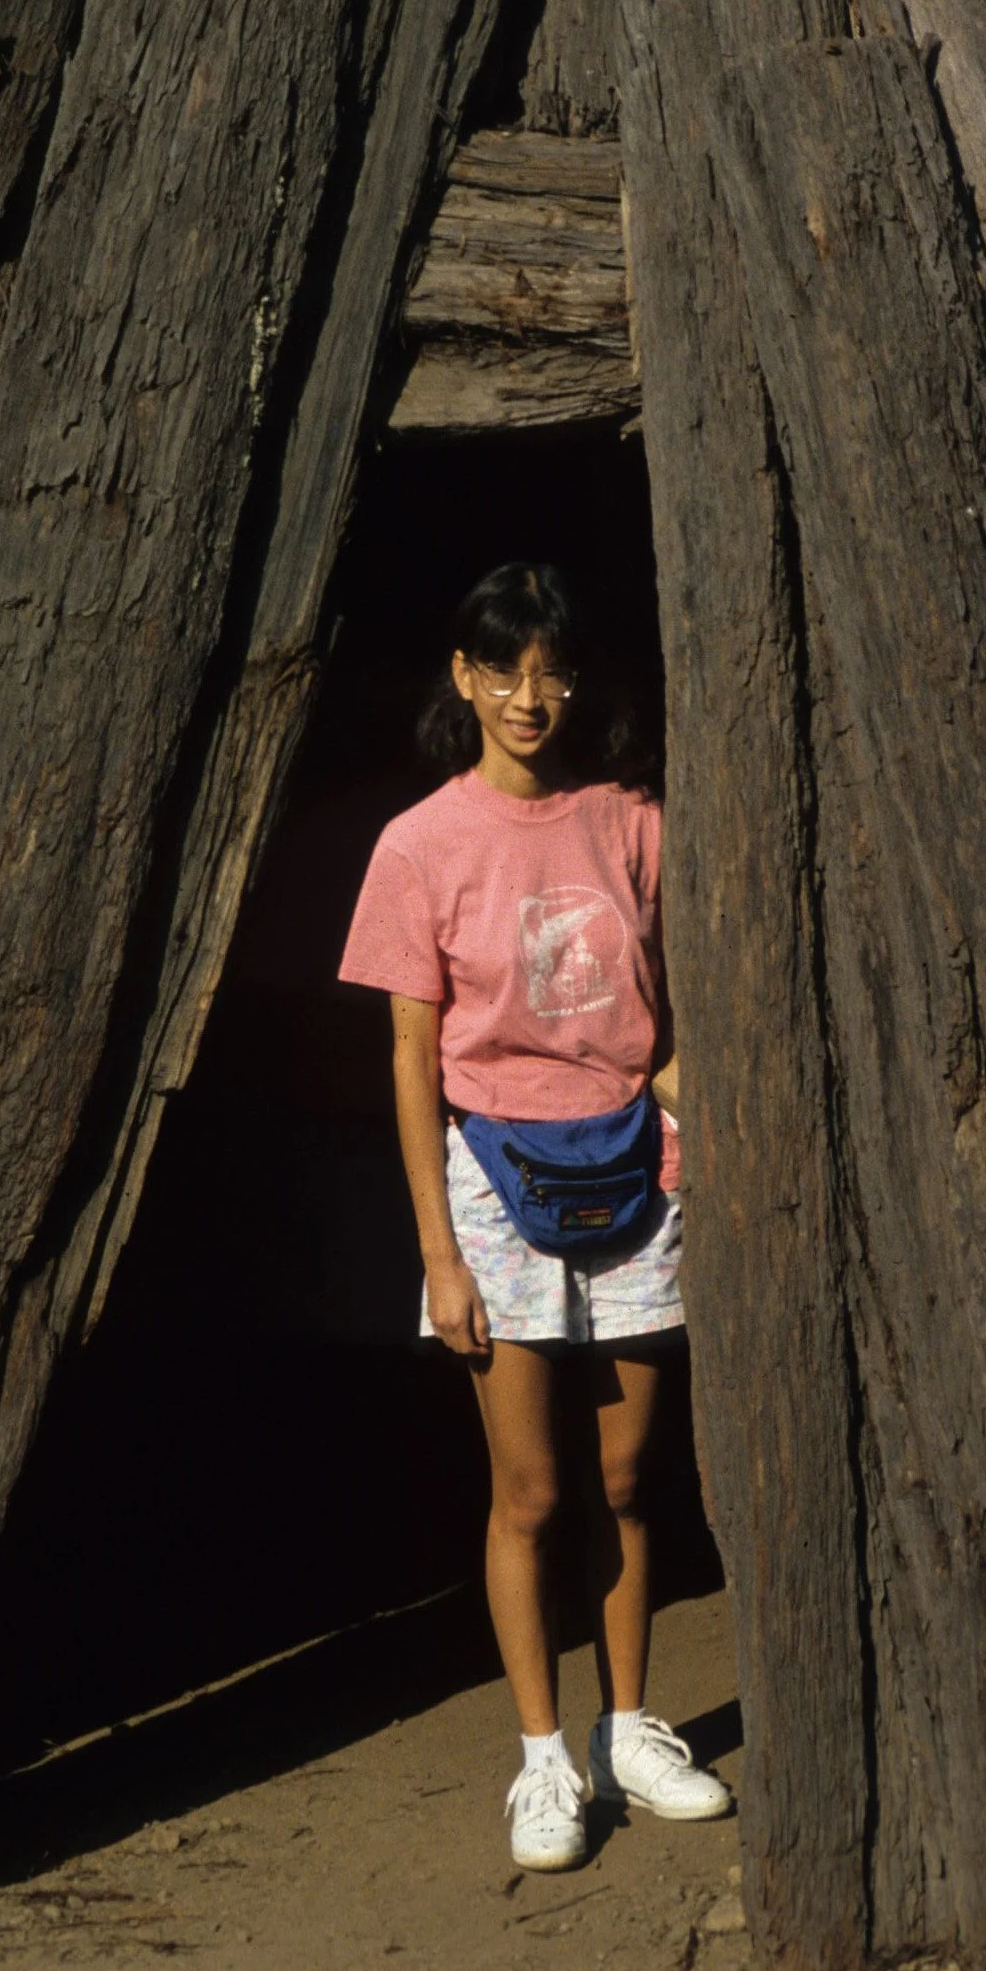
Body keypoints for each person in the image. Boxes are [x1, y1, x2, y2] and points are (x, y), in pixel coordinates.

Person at [339, 560, 731, 1871]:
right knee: (532, 1486)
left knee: (626, 1478)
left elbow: (656, 1025)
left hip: (633, 1165)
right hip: (491, 1181)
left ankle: (631, 1724)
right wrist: (438, 1254)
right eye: (502, 668)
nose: (530, 694)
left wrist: (717, 1130)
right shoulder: (419, 843)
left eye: (550, 667)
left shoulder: (631, 820)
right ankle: (543, 1760)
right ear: (463, 677)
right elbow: (410, 1057)